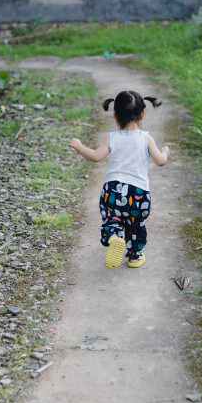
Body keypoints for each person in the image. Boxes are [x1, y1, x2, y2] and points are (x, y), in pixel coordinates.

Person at [69, 90, 170, 269]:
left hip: (113, 189)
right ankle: (134, 257)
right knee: (136, 224)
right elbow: (161, 162)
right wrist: (165, 152)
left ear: (115, 114)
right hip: (138, 193)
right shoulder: (147, 139)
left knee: (112, 218)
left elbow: (95, 156)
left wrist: (79, 147)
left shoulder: (112, 137)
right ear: (143, 114)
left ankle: (115, 237)